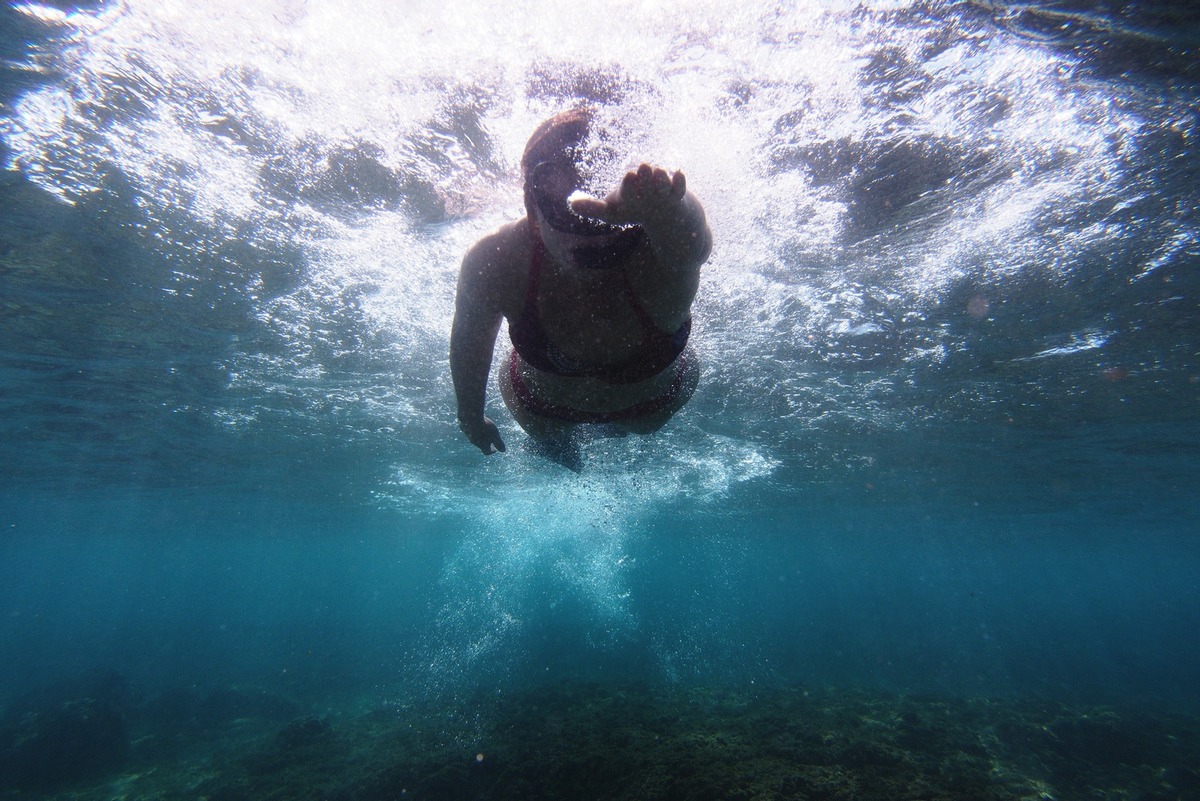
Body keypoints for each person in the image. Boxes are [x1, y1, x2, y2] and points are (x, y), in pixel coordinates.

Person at [450, 107, 712, 469]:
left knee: (635, 427)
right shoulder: (499, 259)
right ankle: (561, 447)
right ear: (532, 209)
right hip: (543, 410)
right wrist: (470, 416)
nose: (593, 227)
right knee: (549, 438)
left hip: (647, 408)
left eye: (608, 210)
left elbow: (694, 246)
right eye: (566, 205)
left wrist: (667, 207)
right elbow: (470, 339)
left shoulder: (659, 249)